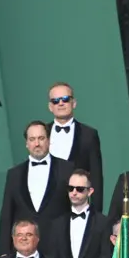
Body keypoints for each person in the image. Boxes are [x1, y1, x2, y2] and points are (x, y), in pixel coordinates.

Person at [0, 122, 74, 250]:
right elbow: (7, 213)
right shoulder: (14, 174)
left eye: (41, 138)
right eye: (32, 139)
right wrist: (4, 251)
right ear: (26, 143)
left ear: (49, 140)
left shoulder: (67, 169)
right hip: (24, 248)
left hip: (59, 247)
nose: (37, 144)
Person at [46, 82, 104, 212]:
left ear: (74, 103)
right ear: (50, 106)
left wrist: (96, 213)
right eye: (55, 101)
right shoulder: (42, 133)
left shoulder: (89, 134)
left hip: (79, 206)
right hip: (48, 208)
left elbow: (96, 175)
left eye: (65, 99)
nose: (61, 103)